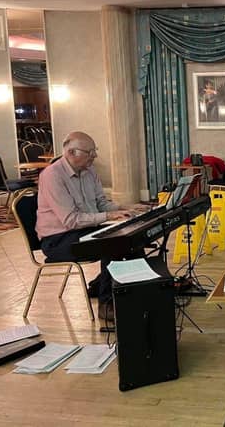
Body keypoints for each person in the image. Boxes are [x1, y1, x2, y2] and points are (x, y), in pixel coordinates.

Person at [35, 131, 132, 321]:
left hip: (81, 230)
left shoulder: (89, 171)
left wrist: (125, 208)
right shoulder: (52, 176)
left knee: (129, 239)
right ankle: (107, 304)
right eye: (90, 152)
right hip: (57, 240)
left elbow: (100, 204)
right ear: (71, 153)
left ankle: (128, 290)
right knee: (111, 244)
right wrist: (109, 216)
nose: (94, 156)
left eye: (94, 151)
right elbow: (71, 220)